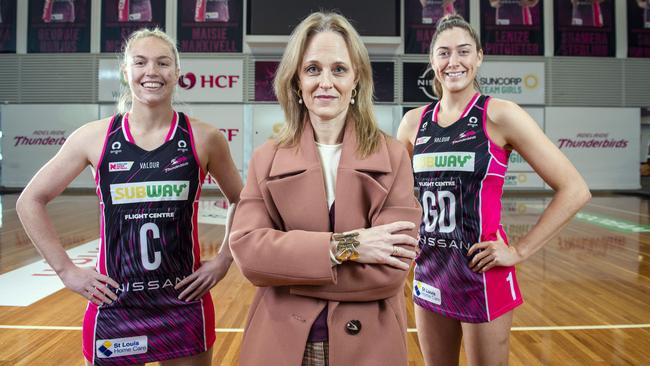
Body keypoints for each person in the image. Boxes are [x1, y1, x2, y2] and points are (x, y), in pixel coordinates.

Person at [16, 28, 242, 365]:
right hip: (114, 303)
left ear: (177, 72)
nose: (152, 72)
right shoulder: (93, 137)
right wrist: (66, 271)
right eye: (140, 62)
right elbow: (29, 200)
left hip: (182, 301)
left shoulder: (205, 138)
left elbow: (244, 200)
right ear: (126, 71)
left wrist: (224, 259)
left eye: (163, 63)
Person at [229, 11, 421, 366]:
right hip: (280, 345)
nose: (325, 82)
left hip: (370, 348)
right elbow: (250, 254)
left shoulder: (393, 157)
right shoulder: (266, 158)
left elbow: (391, 271)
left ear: (357, 80)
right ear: (296, 81)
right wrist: (348, 246)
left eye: (339, 69)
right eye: (313, 69)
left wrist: (288, 271)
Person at [397, 14, 591, 366]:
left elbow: (574, 189)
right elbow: (395, 196)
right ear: (432, 61)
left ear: (480, 57)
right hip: (430, 270)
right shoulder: (413, 122)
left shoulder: (499, 115)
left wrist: (519, 250)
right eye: (443, 53)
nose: (453, 62)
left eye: (463, 51)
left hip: (482, 274)